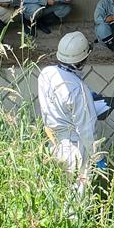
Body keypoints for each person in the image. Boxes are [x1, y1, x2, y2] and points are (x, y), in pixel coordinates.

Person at [38, 31, 97, 197]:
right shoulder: (78, 89)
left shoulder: (46, 73)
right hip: (73, 148)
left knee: (57, 195)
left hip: (52, 142)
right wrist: (97, 156)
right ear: (83, 59)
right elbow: (87, 129)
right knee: (76, 198)